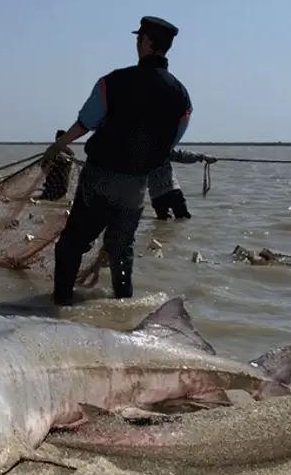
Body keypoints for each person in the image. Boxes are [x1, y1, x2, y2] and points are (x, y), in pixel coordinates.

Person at [42, 16, 192, 305]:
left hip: (99, 179)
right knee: (121, 249)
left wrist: (58, 145)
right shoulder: (181, 96)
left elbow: (85, 122)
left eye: (139, 39)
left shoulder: (113, 82)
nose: (137, 44)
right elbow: (172, 140)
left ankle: (60, 305)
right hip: (135, 187)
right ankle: (124, 308)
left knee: (72, 244)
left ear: (147, 42)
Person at [149, 149, 217, 220]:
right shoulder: (162, 149)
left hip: (156, 195)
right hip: (172, 190)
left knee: (161, 223)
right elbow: (182, 156)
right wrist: (203, 157)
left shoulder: (139, 154)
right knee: (183, 219)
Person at [37, 129, 75, 201]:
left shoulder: (69, 152)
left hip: (63, 185)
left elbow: (70, 162)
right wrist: (50, 163)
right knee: (47, 199)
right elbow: (44, 168)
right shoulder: (51, 151)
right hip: (51, 185)